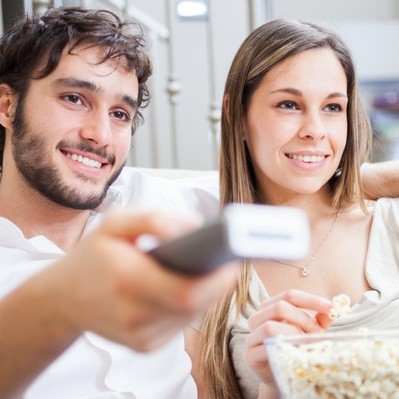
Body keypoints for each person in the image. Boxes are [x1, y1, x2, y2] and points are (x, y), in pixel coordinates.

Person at [0, 7, 237, 399]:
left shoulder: (152, 200)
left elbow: (269, 186)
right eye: (74, 98)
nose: (100, 135)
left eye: (120, 113)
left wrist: (369, 178)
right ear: (8, 105)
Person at [185, 18, 399, 399]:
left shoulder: (391, 225)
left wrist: (365, 179)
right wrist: (274, 384)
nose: (315, 129)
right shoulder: (204, 269)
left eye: (333, 107)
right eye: (289, 104)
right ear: (236, 114)